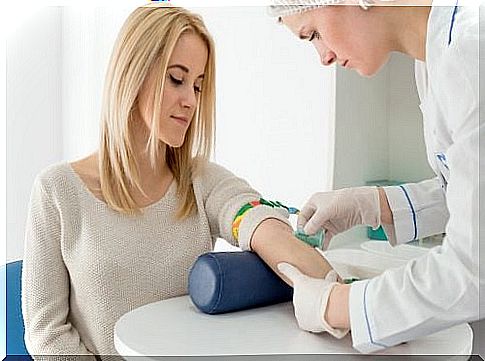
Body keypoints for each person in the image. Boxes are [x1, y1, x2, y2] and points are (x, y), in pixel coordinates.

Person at [21, 6, 334, 358]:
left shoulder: (201, 182)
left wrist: (345, 297)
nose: (191, 101)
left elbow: (260, 224)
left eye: (198, 86)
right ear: (133, 74)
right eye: (176, 79)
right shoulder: (57, 191)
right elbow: (46, 333)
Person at [269, 0, 483, 353]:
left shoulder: (470, 49)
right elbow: (469, 190)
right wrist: (375, 205)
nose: (323, 56)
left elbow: (475, 267)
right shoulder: (433, 58)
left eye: (314, 34)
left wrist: (340, 306)